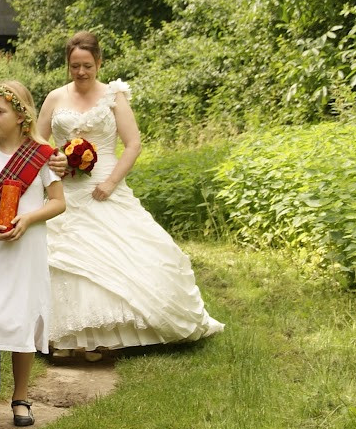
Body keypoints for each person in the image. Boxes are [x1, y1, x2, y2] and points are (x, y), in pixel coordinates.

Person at [38, 31, 223, 357]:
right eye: (74, 66)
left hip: (105, 184)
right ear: (67, 65)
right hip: (67, 187)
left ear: (99, 62)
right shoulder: (54, 98)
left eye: (87, 66)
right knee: (64, 258)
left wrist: (110, 183)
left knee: (121, 253)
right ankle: (62, 336)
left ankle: (104, 334)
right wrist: (52, 158)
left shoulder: (114, 96)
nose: (81, 73)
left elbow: (133, 144)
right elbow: (36, 143)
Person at [0, 81, 66, 429]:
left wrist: (28, 218)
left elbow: (58, 202)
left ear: (21, 116)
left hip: (27, 250)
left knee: (22, 320)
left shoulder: (42, 153)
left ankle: (20, 398)